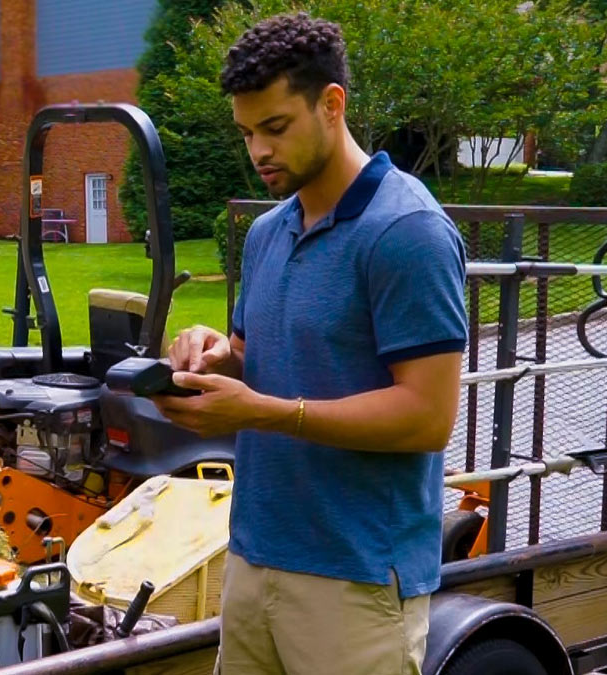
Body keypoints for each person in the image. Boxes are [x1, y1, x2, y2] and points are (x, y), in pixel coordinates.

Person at [151, 12, 469, 675]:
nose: (259, 151)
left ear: (332, 104)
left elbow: (428, 416)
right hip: (252, 556)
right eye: (246, 134)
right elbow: (253, 355)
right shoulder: (268, 231)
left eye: (275, 128)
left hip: (356, 580)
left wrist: (262, 410)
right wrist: (213, 354)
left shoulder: (407, 231)